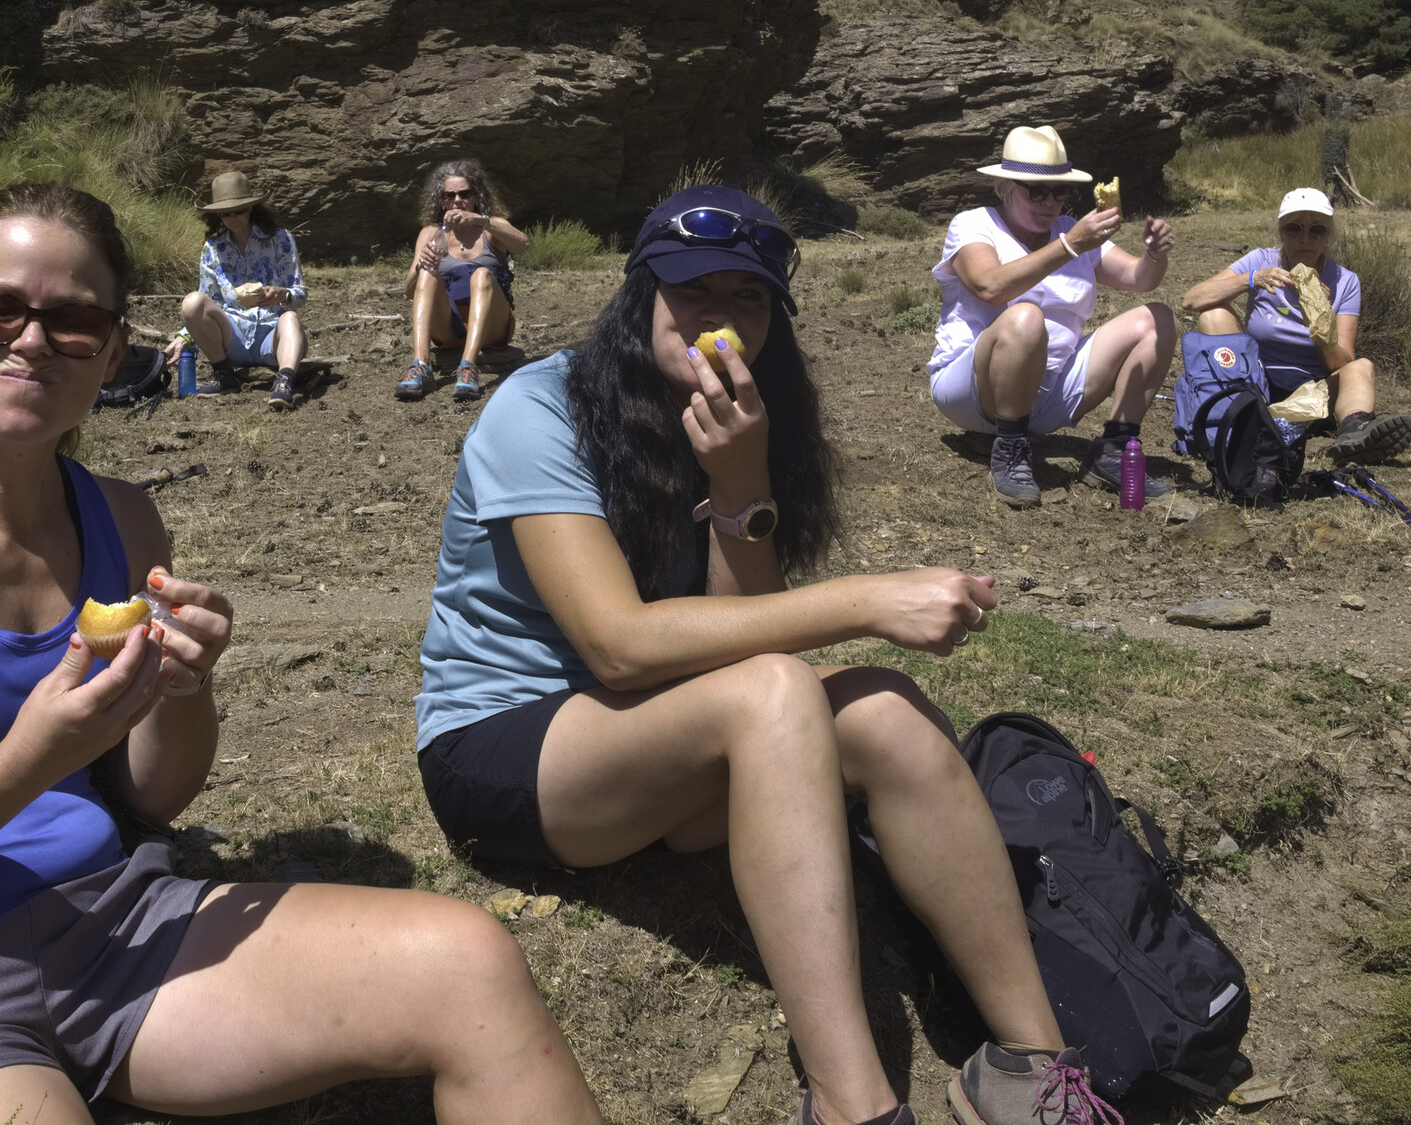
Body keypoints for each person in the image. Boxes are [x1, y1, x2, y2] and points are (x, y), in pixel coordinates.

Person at [0, 183, 603, 1125]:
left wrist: (182, 688)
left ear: (114, 350)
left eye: (74, 320)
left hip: (113, 921)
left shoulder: (122, 517)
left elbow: (153, 797)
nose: (31, 341)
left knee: (468, 963)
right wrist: (31, 757)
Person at [412, 184, 1119, 1125]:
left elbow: (733, 638)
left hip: (660, 737)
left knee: (883, 708)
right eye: (692, 290)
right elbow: (619, 649)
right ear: (639, 297)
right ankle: (853, 1105)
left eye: (747, 299)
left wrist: (740, 484)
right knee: (778, 693)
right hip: (509, 745)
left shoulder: (741, 417)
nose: (722, 317)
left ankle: (1032, 1066)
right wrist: (863, 600)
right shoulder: (538, 409)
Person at [929, 125, 1178, 508]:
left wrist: (1155, 255)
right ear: (1006, 187)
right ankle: (1011, 449)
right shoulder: (974, 224)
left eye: (1060, 191)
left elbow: (1139, 280)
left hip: (1051, 390)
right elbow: (989, 287)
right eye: (1037, 191)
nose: (1050, 203)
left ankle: (1114, 449)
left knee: (1159, 320)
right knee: (1026, 318)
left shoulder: (1070, 231)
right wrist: (1070, 245)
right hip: (975, 391)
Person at [1180, 186, 1411, 462]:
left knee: (1362, 367)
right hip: (1255, 379)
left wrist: (1320, 322)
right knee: (1212, 314)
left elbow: (1342, 364)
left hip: (1314, 388)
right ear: (1281, 232)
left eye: (1317, 230)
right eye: (1293, 229)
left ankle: (1356, 431)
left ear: (1328, 235)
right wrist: (1251, 279)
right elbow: (1191, 300)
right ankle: (1236, 414)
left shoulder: (1345, 281)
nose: (1305, 239)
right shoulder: (1261, 260)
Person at [166, 170, 308, 410]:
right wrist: (184, 337)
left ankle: (284, 383)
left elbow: (300, 294)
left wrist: (283, 294)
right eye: (225, 212)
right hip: (232, 338)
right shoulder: (213, 248)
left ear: (251, 208)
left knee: (291, 318)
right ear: (217, 215)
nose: (232, 217)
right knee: (191, 301)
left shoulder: (281, 239)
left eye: (239, 210)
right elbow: (207, 301)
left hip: (273, 338)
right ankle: (223, 374)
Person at [395, 159, 529, 403]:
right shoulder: (430, 233)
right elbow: (407, 290)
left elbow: (522, 245)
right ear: (441, 200)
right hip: (449, 326)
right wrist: (420, 264)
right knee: (427, 272)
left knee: (481, 274)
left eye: (465, 194)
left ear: (476, 196)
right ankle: (421, 366)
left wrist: (482, 220)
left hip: (493, 326)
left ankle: (468, 367)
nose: (457, 200)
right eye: (450, 195)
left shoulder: (491, 225)